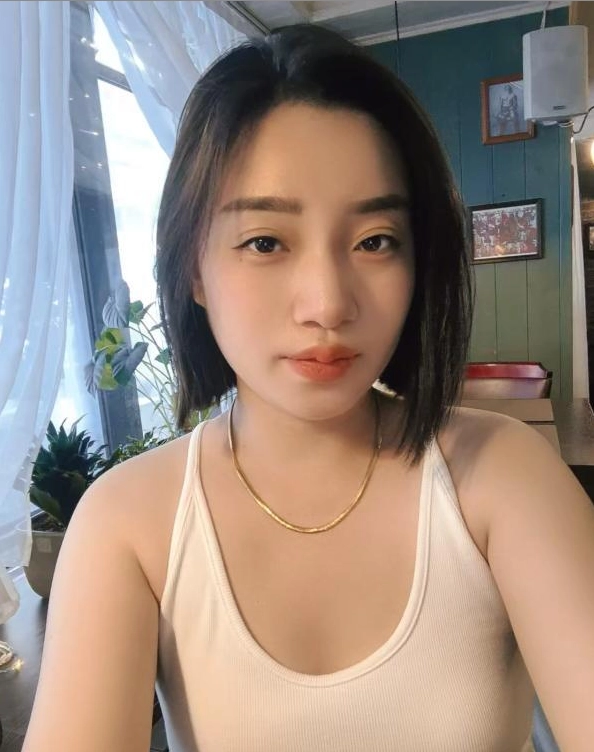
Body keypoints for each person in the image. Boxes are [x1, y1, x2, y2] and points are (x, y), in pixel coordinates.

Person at [23, 23, 594, 752]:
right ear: (194, 269)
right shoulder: (127, 522)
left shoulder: (503, 477)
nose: (327, 303)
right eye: (265, 242)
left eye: (375, 241)